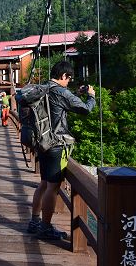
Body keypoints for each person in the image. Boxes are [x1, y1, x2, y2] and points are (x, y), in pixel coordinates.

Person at [27, 61, 96, 240]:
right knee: (53, 187)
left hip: (41, 142)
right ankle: (45, 227)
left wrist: (75, 94)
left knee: (43, 183)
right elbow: (85, 109)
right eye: (68, 79)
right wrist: (91, 96)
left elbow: (55, 106)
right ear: (64, 76)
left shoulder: (42, 88)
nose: (68, 82)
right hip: (56, 145)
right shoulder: (61, 91)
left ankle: (34, 221)